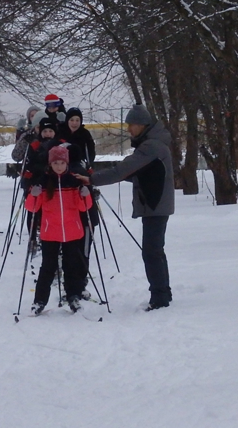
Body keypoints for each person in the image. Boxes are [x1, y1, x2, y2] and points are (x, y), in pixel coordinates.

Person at [74, 104, 174, 310]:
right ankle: (163, 292)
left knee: (151, 252)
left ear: (142, 125)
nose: (129, 129)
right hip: (157, 204)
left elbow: (124, 170)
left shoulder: (151, 146)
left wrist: (92, 179)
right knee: (156, 251)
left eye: (132, 125)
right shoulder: (154, 143)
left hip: (156, 205)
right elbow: (140, 174)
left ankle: (160, 298)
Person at [26, 145, 93, 315]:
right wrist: (33, 194)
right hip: (51, 232)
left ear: (67, 163)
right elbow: (32, 208)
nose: (59, 166)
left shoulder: (74, 180)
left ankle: (73, 297)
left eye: (62, 162)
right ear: (50, 164)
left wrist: (85, 195)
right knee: (48, 267)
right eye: (55, 162)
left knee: (72, 266)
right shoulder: (43, 181)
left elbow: (84, 207)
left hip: (72, 231)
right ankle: (40, 301)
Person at [58, 107, 98, 299]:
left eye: (77, 120)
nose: (74, 122)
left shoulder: (85, 135)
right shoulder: (60, 134)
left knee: (83, 245)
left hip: (83, 202)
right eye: (71, 119)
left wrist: (88, 170)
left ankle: (80, 283)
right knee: (70, 247)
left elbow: (91, 155)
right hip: (67, 208)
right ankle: (70, 283)